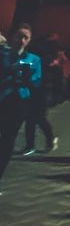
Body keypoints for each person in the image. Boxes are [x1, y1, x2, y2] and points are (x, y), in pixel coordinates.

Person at [0, 24, 42, 192]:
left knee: (8, 139)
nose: (22, 40)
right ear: (13, 37)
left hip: (19, 102)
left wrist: (26, 77)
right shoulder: (2, 54)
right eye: (19, 36)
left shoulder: (34, 59)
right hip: (2, 96)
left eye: (26, 37)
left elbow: (37, 82)